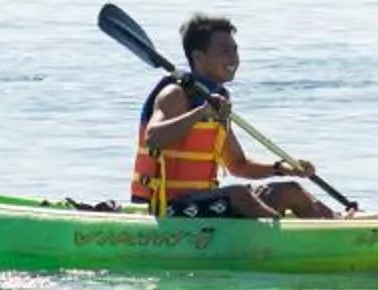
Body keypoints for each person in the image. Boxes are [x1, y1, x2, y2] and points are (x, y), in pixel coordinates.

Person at [131, 14, 342, 219]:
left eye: (234, 50)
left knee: (290, 191)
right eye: (224, 51)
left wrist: (281, 168)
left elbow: (238, 165)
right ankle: (279, 235)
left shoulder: (218, 100)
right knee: (239, 196)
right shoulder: (174, 94)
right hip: (168, 208)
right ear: (198, 57)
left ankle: (341, 225)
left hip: (205, 203)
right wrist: (201, 113)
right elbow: (153, 137)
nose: (233, 58)